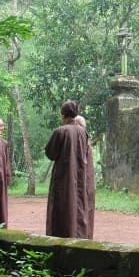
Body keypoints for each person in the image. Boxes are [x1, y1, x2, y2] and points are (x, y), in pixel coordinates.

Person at [45, 100, 95, 238]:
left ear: (63, 114)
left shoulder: (60, 131)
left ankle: (61, 236)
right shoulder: (83, 132)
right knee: (78, 203)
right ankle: (79, 236)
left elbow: (50, 153)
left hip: (64, 175)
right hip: (79, 175)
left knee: (63, 204)